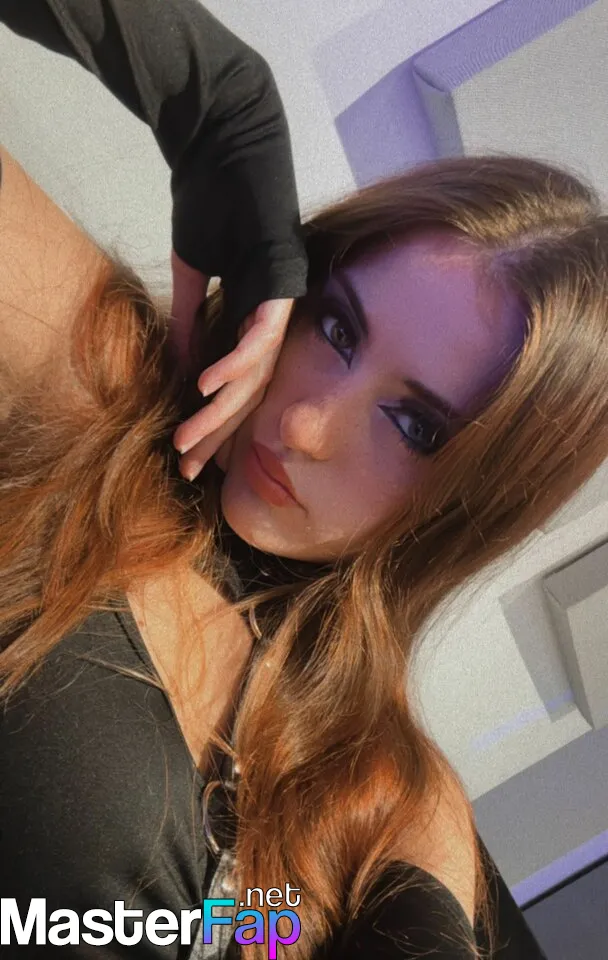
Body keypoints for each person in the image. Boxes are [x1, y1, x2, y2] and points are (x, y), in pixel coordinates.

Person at [2, 1, 605, 959]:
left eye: (413, 426)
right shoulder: (105, 402)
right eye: (337, 327)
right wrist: (211, 89)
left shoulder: (380, 787)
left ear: (469, 507)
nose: (303, 425)